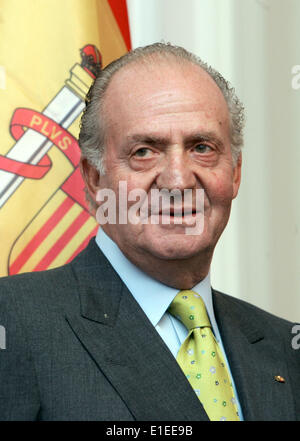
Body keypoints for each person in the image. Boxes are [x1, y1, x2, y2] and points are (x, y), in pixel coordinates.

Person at [0, 43, 299, 421]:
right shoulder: (13, 324)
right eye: (144, 151)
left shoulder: (284, 347)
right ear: (94, 178)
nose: (177, 180)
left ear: (235, 172)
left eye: (202, 147)